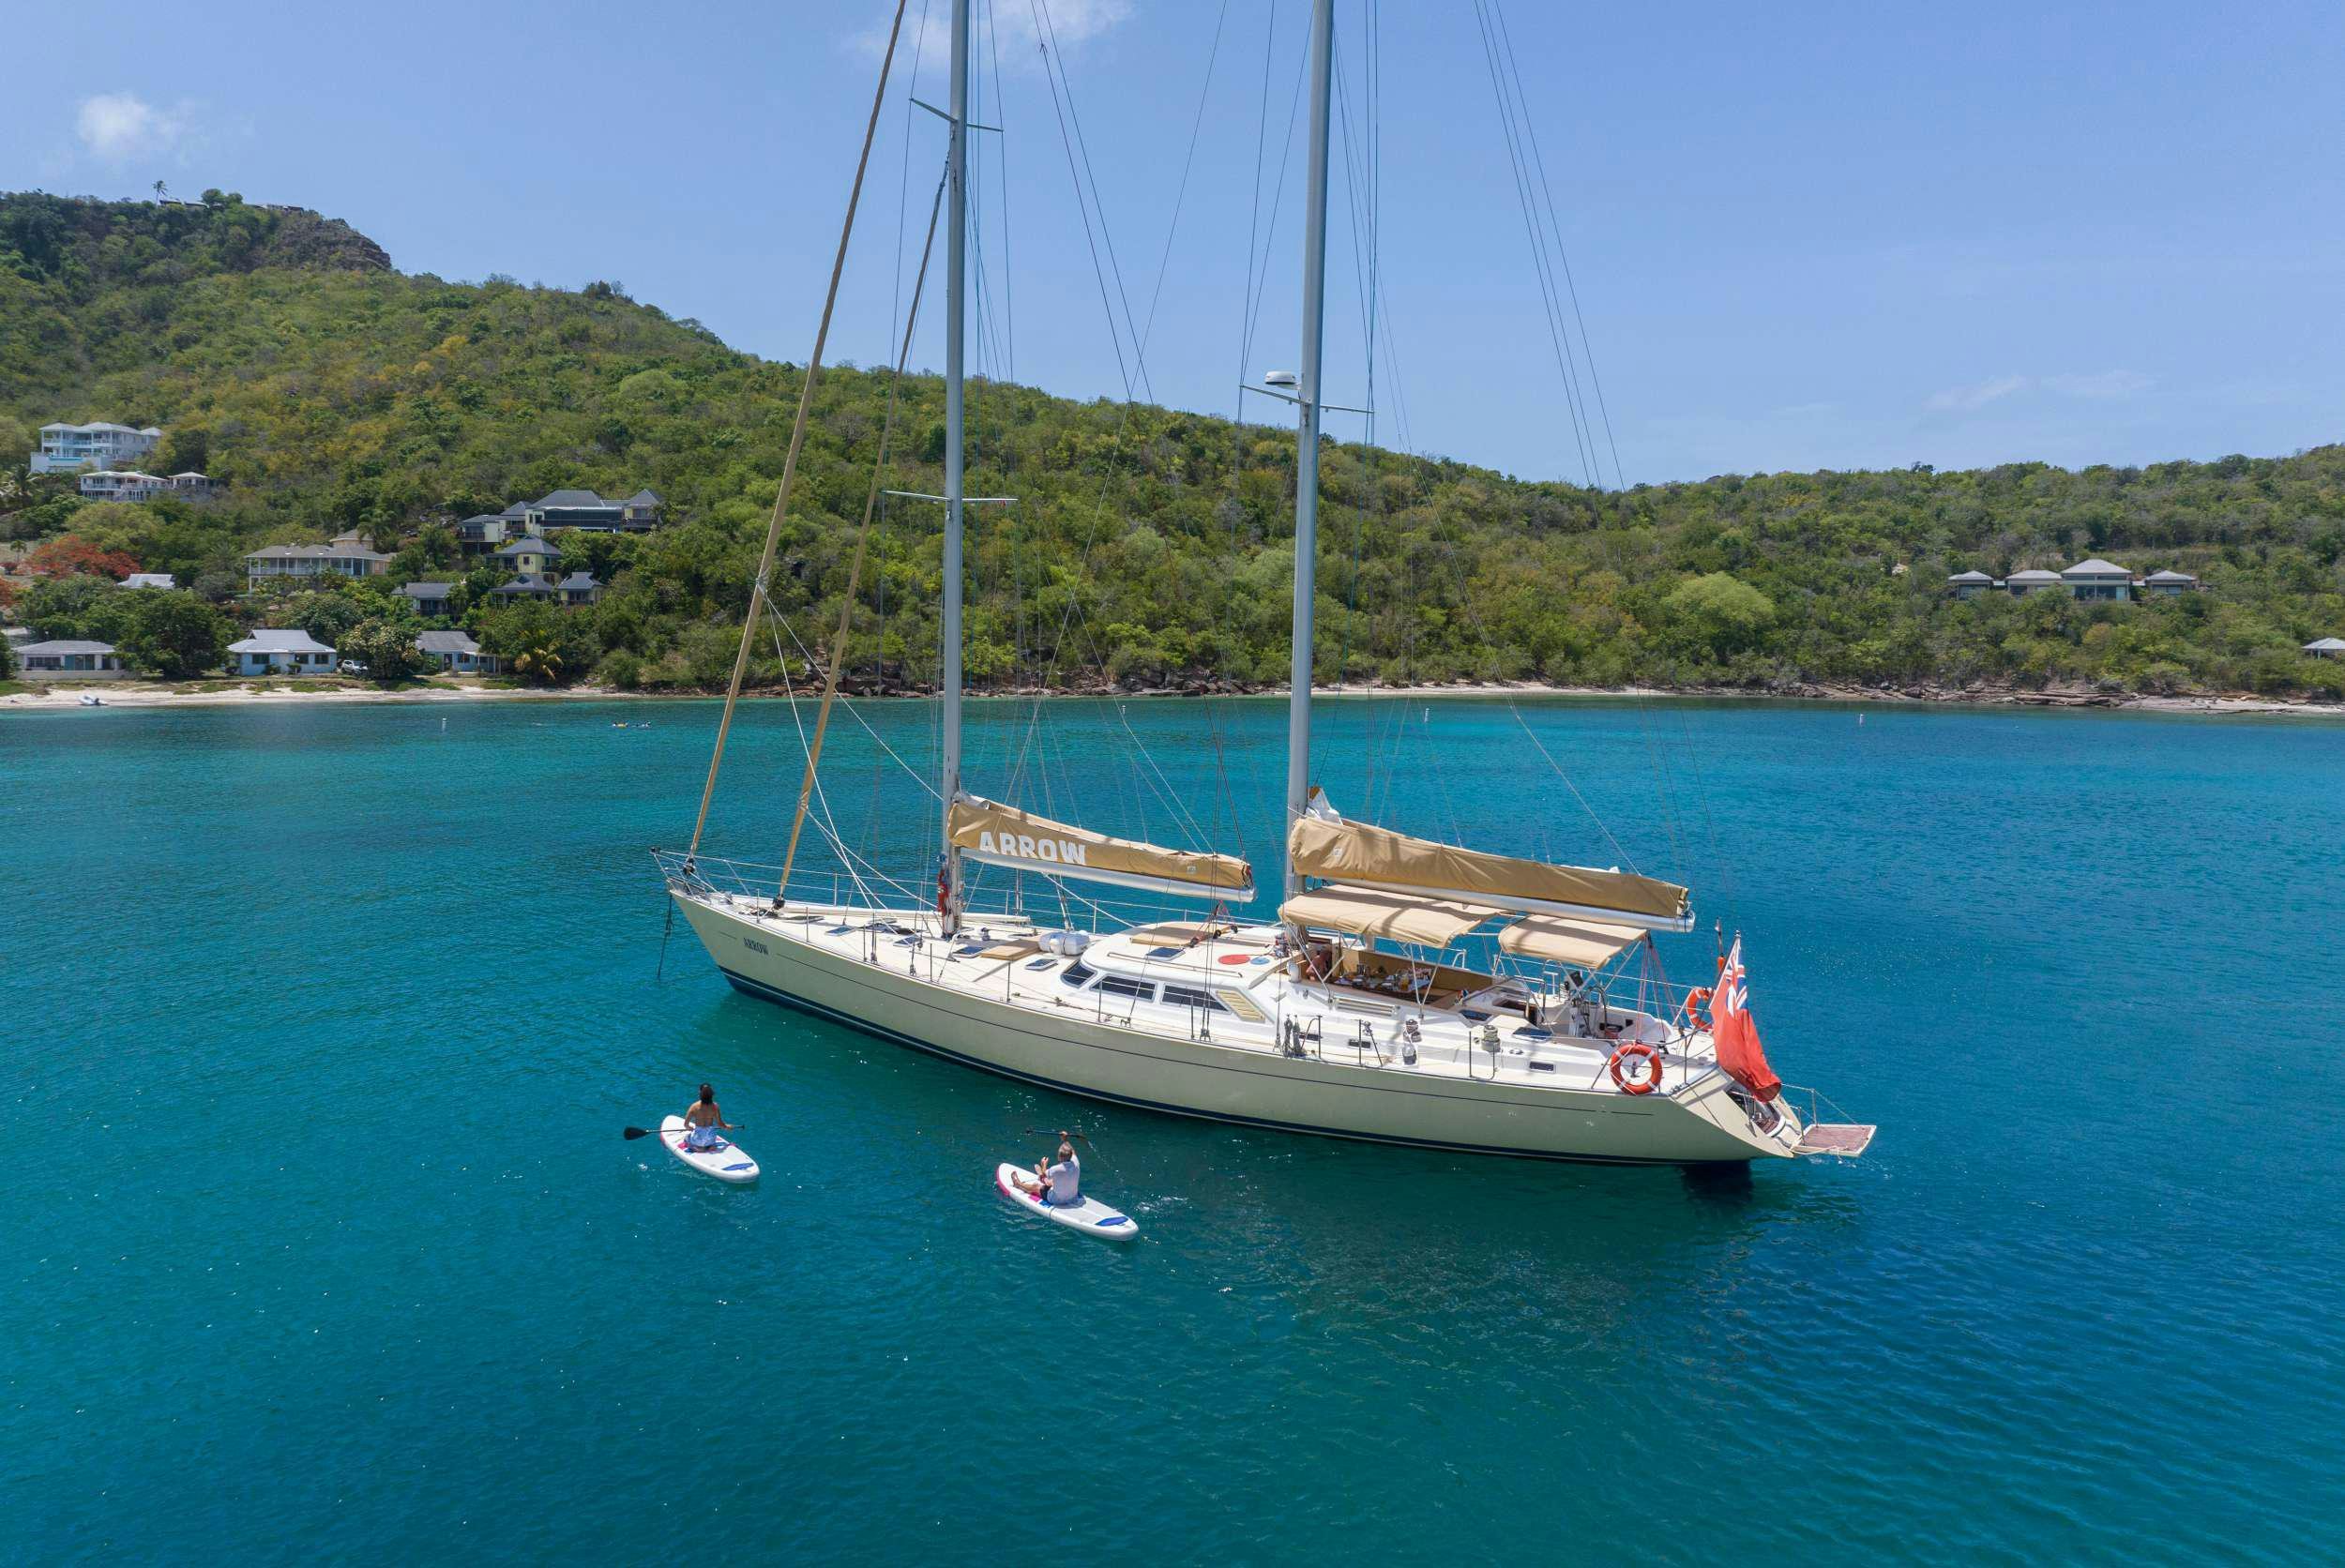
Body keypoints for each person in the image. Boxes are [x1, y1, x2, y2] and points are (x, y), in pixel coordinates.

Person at [1012, 1135, 1081, 1208]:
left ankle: (1018, 1184)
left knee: (1036, 1186)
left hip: (1057, 1200)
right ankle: (1043, 1179)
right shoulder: (1076, 1162)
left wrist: (1044, 1164)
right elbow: (1072, 1151)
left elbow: (1044, 1174)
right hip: (1073, 1197)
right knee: (1052, 1181)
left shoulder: (1057, 1169)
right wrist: (1065, 1139)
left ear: (1059, 1157)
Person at [681, 1083, 734, 1152]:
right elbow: (720, 1125)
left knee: (687, 1138)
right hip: (711, 1138)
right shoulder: (715, 1106)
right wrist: (727, 1127)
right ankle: (711, 1146)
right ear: (712, 1094)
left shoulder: (694, 1107)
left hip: (698, 1140)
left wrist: (690, 1128)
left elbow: (686, 1125)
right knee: (710, 1137)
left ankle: (698, 1148)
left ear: (700, 1093)